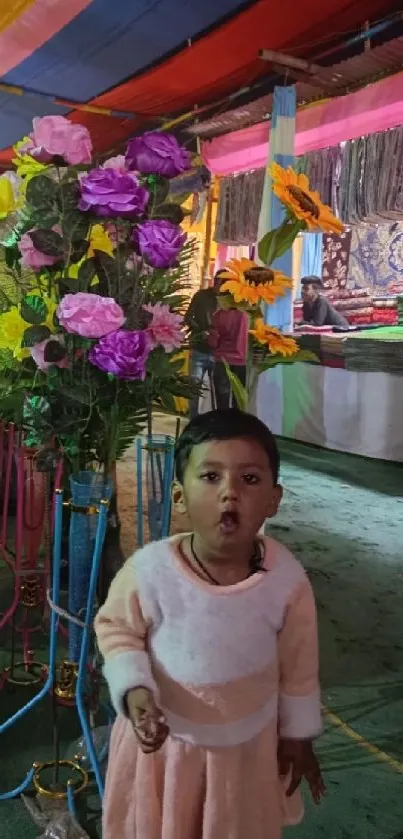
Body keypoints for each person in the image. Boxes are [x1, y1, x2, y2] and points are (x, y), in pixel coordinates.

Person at [95, 409, 325, 839]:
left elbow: (299, 666)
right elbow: (116, 629)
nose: (229, 495)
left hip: (245, 746)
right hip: (166, 745)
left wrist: (298, 735)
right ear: (178, 497)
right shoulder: (150, 571)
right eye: (211, 477)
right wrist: (137, 691)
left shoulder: (287, 579)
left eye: (249, 480)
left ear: (274, 500)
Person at [210, 272, 249, 410]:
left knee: (222, 403)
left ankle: (223, 430)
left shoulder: (218, 316)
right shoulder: (245, 316)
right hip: (241, 363)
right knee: (238, 404)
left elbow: (213, 342)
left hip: (222, 361)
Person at [185, 283, 217, 417]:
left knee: (218, 391)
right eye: (219, 281)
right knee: (194, 386)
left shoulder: (230, 299)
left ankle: (216, 421)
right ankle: (193, 419)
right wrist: (200, 331)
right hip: (199, 348)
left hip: (218, 351)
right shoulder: (201, 296)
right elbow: (188, 318)